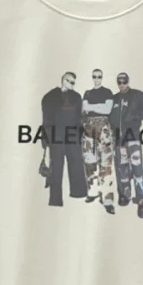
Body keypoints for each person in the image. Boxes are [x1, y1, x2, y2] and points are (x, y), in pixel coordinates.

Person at [40, 72, 87, 207]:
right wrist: (46, 139)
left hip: (73, 136)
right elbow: (46, 119)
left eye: (73, 82)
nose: (71, 84)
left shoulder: (77, 97)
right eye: (69, 81)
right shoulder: (50, 97)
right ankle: (55, 200)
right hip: (56, 136)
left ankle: (78, 193)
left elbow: (79, 118)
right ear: (63, 80)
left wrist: (81, 134)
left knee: (76, 163)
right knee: (56, 168)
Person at [110, 72, 143, 218]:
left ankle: (142, 200)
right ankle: (125, 194)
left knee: (137, 168)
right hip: (119, 139)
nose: (122, 84)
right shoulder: (114, 98)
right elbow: (109, 116)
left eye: (124, 81)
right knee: (122, 168)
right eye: (119, 82)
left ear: (128, 81)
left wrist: (135, 117)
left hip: (132, 136)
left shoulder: (137, 95)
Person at [80, 68, 116, 214]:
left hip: (104, 128)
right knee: (89, 161)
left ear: (102, 77)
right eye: (94, 76)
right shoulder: (87, 93)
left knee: (106, 164)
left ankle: (107, 199)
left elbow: (107, 110)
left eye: (99, 76)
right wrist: (98, 107)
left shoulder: (107, 92)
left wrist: (92, 107)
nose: (96, 79)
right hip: (89, 128)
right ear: (92, 77)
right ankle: (93, 191)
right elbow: (84, 108)